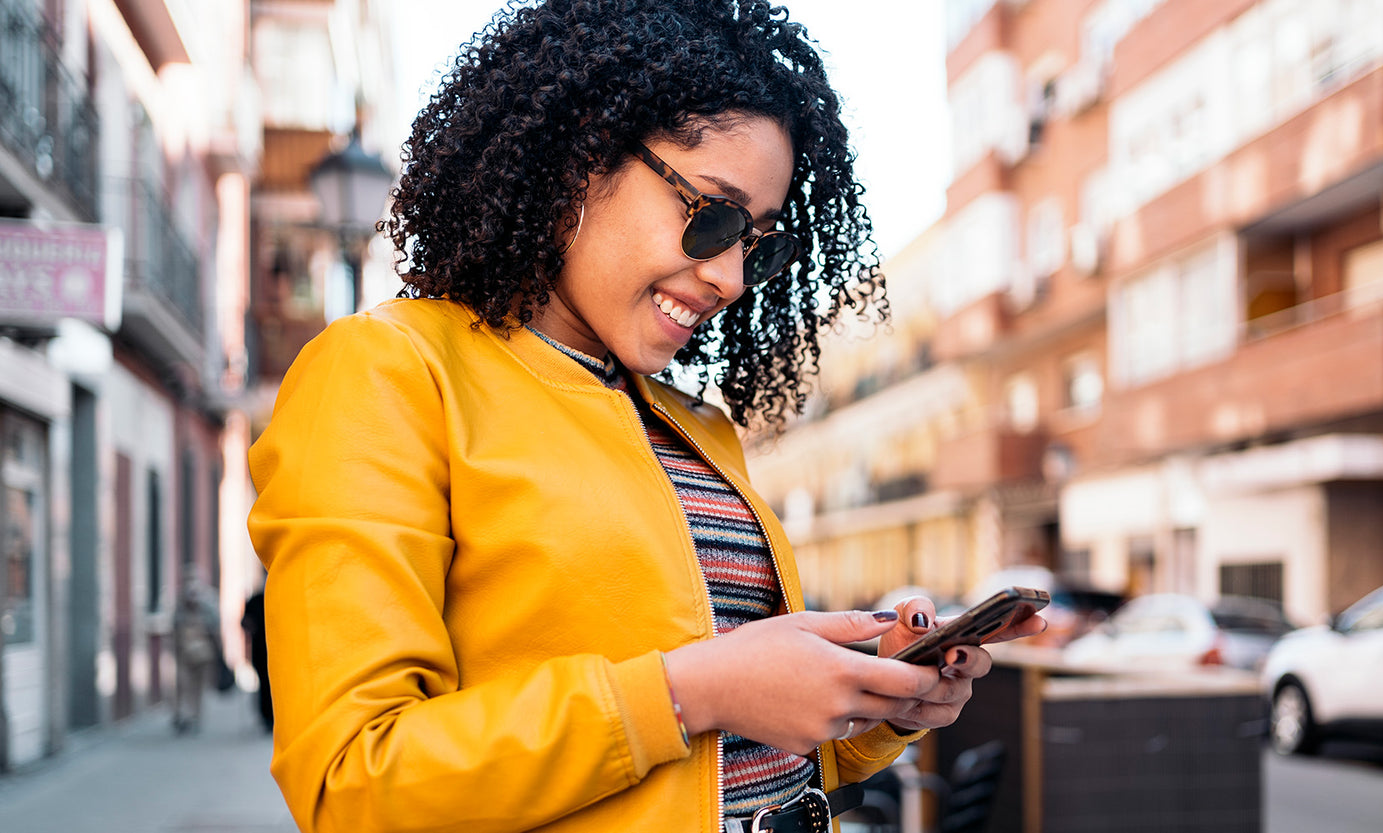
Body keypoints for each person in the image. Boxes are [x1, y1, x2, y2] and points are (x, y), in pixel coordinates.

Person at [246, 2, 1046, 831]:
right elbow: (352, 779)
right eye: (713, 215)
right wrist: (688, 689)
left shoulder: (695, 426)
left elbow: (731, 757)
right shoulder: (389, 371)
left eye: (759, 241)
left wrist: (880, 700)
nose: (732, 276)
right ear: (580, 154)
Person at [171, 578, 221, 734]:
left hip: (202, 655)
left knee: (198, 688)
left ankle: (195, 717)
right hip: (184, 655)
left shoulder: (206, 609)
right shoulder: (180, 610)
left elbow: (214, 628)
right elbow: (174, 630)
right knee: (183, 685)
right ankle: (182, 715)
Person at [240, 586, 273, 732]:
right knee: (267, 685)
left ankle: (268, 716)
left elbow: (244, 623)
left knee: (266, 685)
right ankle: (268, 716)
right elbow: (245, 623)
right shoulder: (257, 600)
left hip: (263, 650)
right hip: (264, 650)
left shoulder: (255, 599)